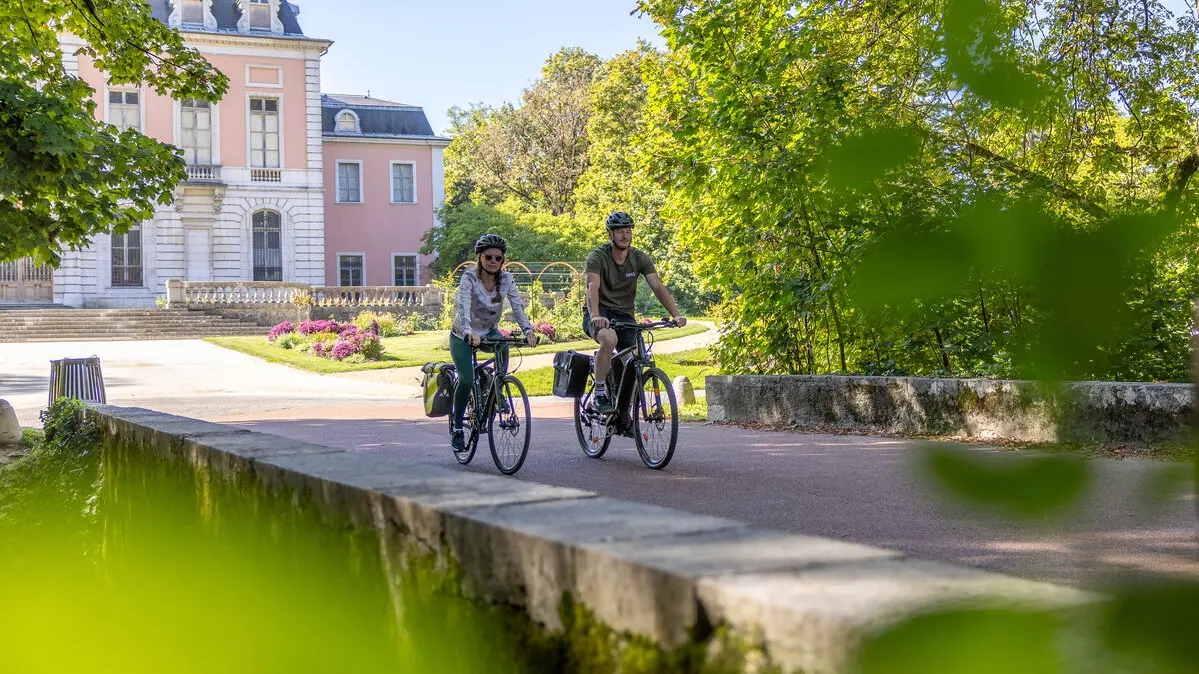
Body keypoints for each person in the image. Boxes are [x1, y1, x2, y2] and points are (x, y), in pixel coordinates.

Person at [583, 211, 687, 426]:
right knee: (609, 340)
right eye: (620, 231)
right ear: (611, 234)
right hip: (600, 313)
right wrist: (595, 316)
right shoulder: (598, 256)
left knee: (636, 358)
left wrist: (675, 314)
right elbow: (592, 287)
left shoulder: (639, 257)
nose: (625, 235)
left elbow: (657, 285)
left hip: (625, 316)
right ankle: (600, 391)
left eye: (628, 231)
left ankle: (623, 413)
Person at [450, 233, 538, 451]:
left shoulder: (506, 279)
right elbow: (463, 307)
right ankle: (458, 427)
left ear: (503, 261)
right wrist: (469, 331)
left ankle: (497, 389)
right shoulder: (469, 278)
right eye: (488, 256)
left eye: (498, 258)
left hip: (489, 332)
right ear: (479, 257)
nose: (493, 261)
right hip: (462, 334)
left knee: (503, 346)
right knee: (467, 378)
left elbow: (517, 306)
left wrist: (528, 331)